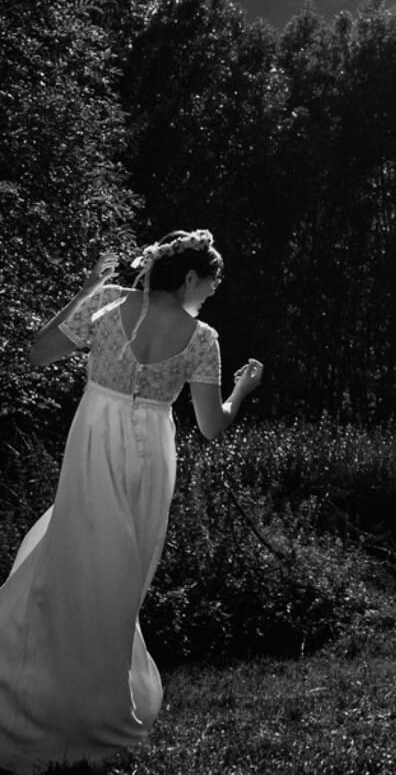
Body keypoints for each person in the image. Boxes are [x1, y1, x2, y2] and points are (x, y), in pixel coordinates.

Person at [0, 230, 264, 773]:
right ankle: (86, 706)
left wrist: (85, 290)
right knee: (121, 580)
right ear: (190, 278)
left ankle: (48, 690)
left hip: (95, 435)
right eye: (209, 287)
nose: (208, 298)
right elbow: (213, 426)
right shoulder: (202, 338)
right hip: (150, 458)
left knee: (71, 556)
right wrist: (243, 390)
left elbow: (35, 355)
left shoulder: (107, 301)